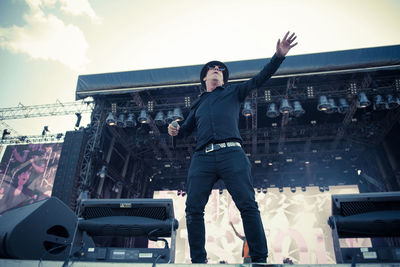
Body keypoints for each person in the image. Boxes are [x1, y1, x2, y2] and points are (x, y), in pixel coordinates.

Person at [168, 31, 297, 263]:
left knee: (247, 205)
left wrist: (278, 56)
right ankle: (198, 260)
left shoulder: (233, 92)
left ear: (224, 79)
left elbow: (260, 78)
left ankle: (259, 258)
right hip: (203, 158)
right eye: (212, 67)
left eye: (220, 68)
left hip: (232, 153)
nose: (216, 68)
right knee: (193, 209)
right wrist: (174, 127)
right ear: (205, 77)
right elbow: (184, 128)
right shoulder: (197, 104)